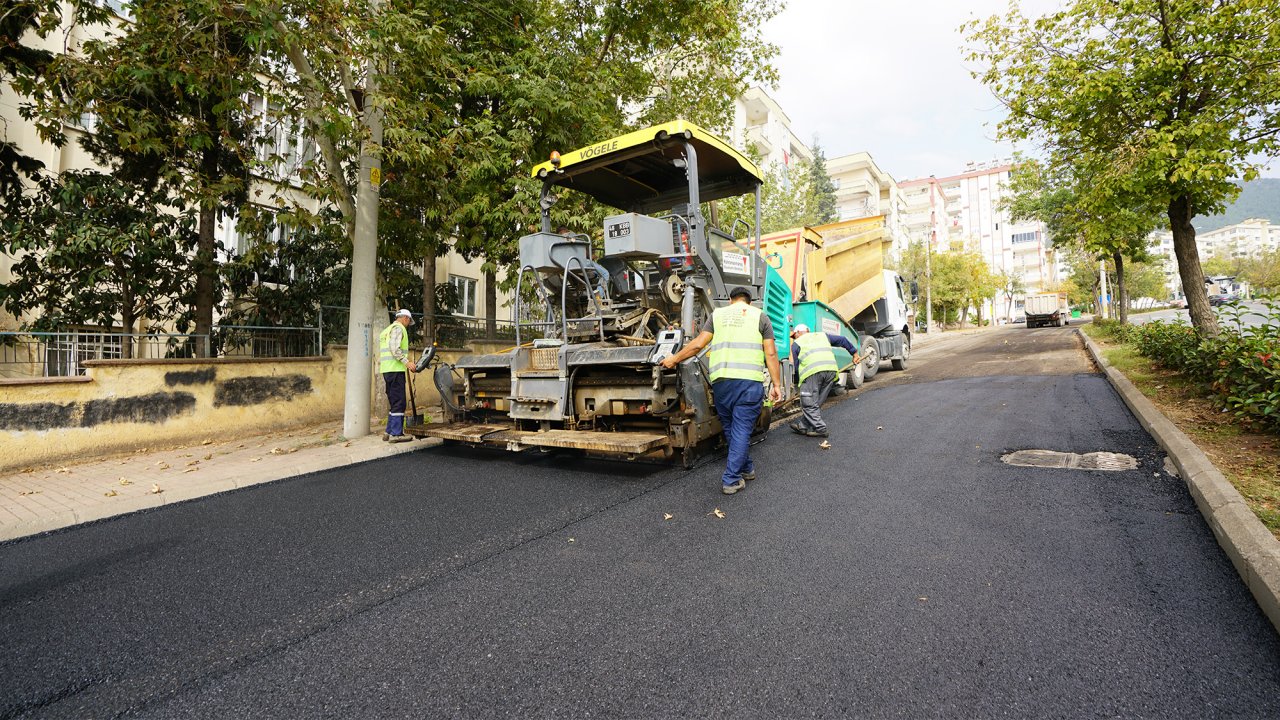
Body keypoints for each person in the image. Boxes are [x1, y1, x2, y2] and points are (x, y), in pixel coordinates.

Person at [660, 286, 783, 495]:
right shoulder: (760, 316)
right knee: (742, 429)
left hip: (722, 383)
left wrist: (673, 359)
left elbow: (698, 344)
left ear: (730, 300)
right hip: (748, 383)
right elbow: (770, 353)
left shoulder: (718, 315)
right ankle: (731, 479)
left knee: (731, 428)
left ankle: (746, 467)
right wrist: (777, 385)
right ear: (749, 302)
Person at [788, 323, 857, 438]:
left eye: (794, 336)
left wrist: (797, 383)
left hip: (813, 372)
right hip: (830, 371)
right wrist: (854, 353)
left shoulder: (797, 343)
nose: (794, 338)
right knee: (816, 401)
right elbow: (843, 340)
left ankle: (820, 428)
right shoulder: (822, 336)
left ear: (797, 333)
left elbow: (795, 366)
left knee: (808, 402)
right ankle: (803, 425)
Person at [379, 309, 417, 443]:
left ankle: (388, 432)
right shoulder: (399, 328)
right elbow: (395, 349)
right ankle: (396, 434)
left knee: (394, 402)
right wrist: (408, 363)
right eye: (408, 321)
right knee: (399, 402)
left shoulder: (387, 330)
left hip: (387, 370)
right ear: (405, 318)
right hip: (395, 370)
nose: (408, 324)